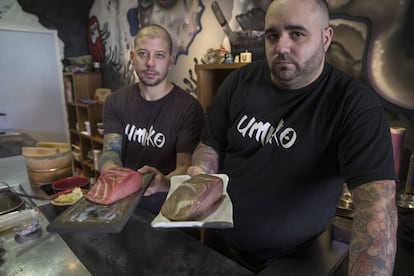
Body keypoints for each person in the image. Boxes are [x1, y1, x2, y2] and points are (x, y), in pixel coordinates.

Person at [188, 0, 397, 274]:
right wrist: (200, 177)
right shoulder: (239, 82)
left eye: (297, 34)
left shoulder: (354, 105)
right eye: (272, 35)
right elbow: (210, 144)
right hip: (220, 246)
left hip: (295, 262)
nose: (281, 47)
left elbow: (376, 214)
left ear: (325, 38)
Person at [100, 24, 204, 214]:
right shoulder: (115, 102)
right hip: (123, 204)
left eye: (159, 55)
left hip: (168, 208)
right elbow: (110, 152)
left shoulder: (189, 108)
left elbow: (185, 166)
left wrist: (162, 182)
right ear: (132, 58)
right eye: (143, 53)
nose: (150, 63)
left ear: (170, 61)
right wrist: (112, 172)